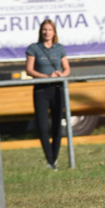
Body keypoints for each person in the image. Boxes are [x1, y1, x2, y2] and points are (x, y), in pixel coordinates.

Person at [25, 19, 70, 169]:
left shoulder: (60, 48)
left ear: (54, 32)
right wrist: (46, 77)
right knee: (43, 127)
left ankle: (54, 159)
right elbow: (29, 69)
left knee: (58, 125)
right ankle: (49, 159)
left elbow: (67, 69)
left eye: (49, 30)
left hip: (57, 88)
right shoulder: (34, 48)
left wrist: (61, 74)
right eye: (44, 30)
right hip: (41, 90)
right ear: (40, 32)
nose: (47, 32)